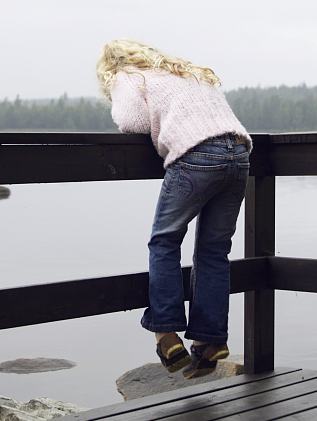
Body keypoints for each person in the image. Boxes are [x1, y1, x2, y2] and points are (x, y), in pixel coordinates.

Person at [97, 39, 251, 379]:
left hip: (195, 157)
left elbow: (130, 122)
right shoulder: (187, 72)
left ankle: (167, 335)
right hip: (239, 155)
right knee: (214, 251)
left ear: (110, 67)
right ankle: (210, 341)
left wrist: (119, 98)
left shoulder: (130, 76)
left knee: (164, 242)